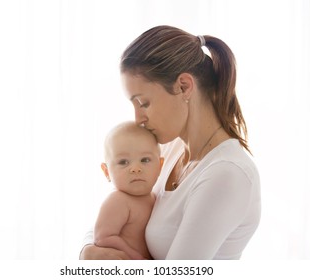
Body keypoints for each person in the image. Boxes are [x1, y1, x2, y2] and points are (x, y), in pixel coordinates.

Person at [80, 25, 261, 260]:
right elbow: (115, 210)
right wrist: (87, 249)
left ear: (184, 86)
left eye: (143, 103)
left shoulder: (226, 174)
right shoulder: (169, 149)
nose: (138, 119)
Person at [93, 121, 164, 260]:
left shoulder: (155, 196)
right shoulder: (117, 200)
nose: (136, 168)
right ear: (106, 171)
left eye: (145, 160)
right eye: (123, 162)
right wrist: (135, 257)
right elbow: (102, 238)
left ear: (160, 165)